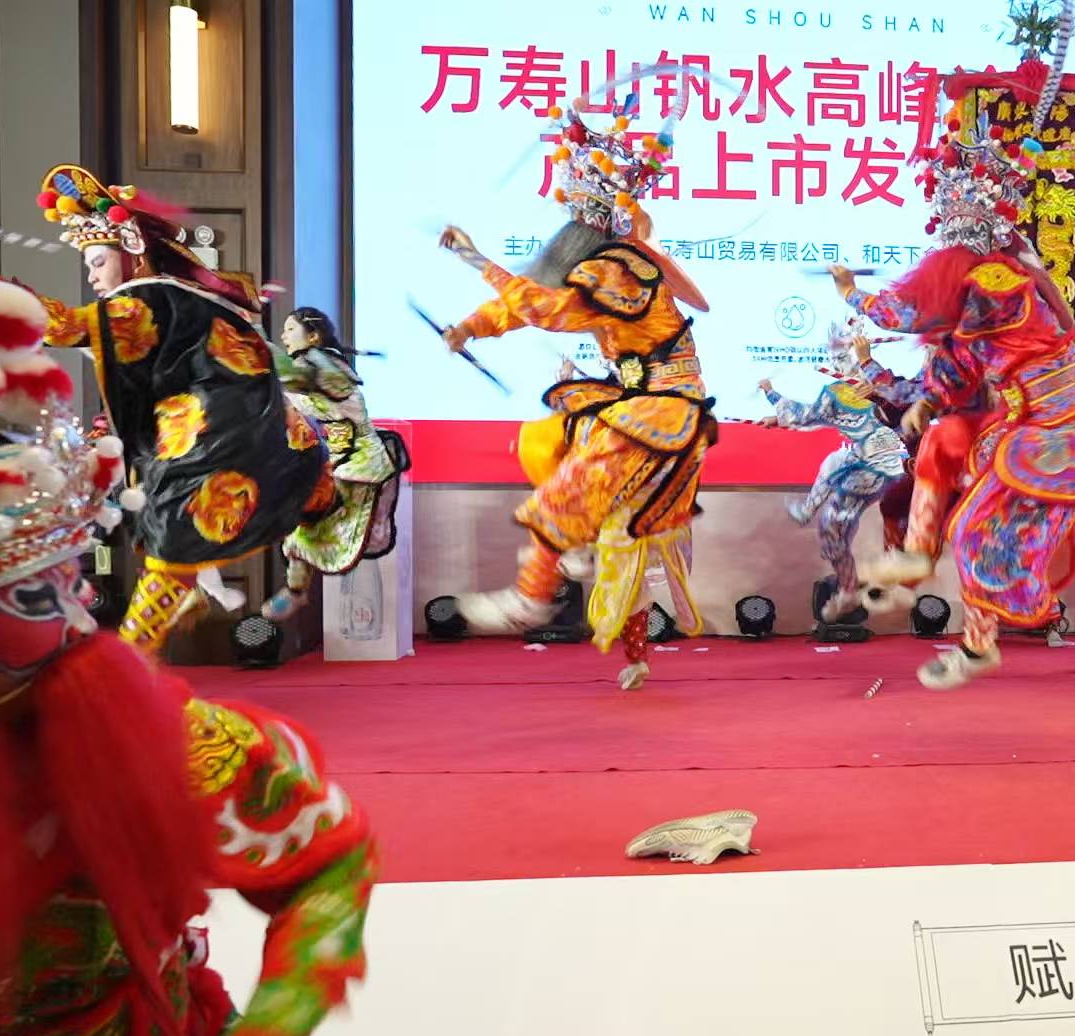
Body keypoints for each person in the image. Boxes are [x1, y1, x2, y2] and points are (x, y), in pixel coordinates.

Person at [0, 286, 373, 1036]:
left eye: (71, 584)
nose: (76, 626)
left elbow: (327, 859)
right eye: (33, 600)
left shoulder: (144, 729)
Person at [0, 163, 334, 656]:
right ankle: (170, 616)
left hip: (211, 443)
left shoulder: (144, 298)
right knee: (168, 535)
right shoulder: (185, 299)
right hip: (228, 433)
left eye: (99, 262)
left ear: (133, 251)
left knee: (171, 543)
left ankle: (131, 661)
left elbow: (61, 326)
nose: (93, 276)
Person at [437, 100, 715, 691]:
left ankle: (533, 595)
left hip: (666, 404)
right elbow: (529, 303)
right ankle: (617, 622)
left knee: (584, 480)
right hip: (632, 398)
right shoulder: (596, 265)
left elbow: (547, 310)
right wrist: (469, 328)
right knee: (549, 446)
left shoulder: (623, 268)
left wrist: (476, 259)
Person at [833, 110, 1075, 689]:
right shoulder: (979, 302)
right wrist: (929, 404)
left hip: (1060, 428)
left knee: (975, 528)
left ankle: (981, 639)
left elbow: (920, 315)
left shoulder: (998, 283)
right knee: (944, 441)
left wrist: (856, 296)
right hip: (1022, 423)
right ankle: (918, 557)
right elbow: (960, 362)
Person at [759, 320, 909, 624]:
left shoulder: (873, 388)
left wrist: (771, 394)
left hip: (879, 466)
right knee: (834, 462)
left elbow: (804, 415)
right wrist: (778, 415)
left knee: (832, 526)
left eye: (842, 354)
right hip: (884, 460)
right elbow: (810, 416)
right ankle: (809, 510)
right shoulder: (855, 388)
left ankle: (848, 590)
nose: (840, 361)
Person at [263, 307, 409, 620]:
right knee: (301, 527)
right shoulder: (309, 363)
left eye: (290, 329)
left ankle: (314, 597)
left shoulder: (325, 364)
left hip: (361, 466)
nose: (284, 336)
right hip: (336, 463)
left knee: (339, 534)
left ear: (313, 336)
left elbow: (292, 377)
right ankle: (296, 591)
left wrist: (257, 339)